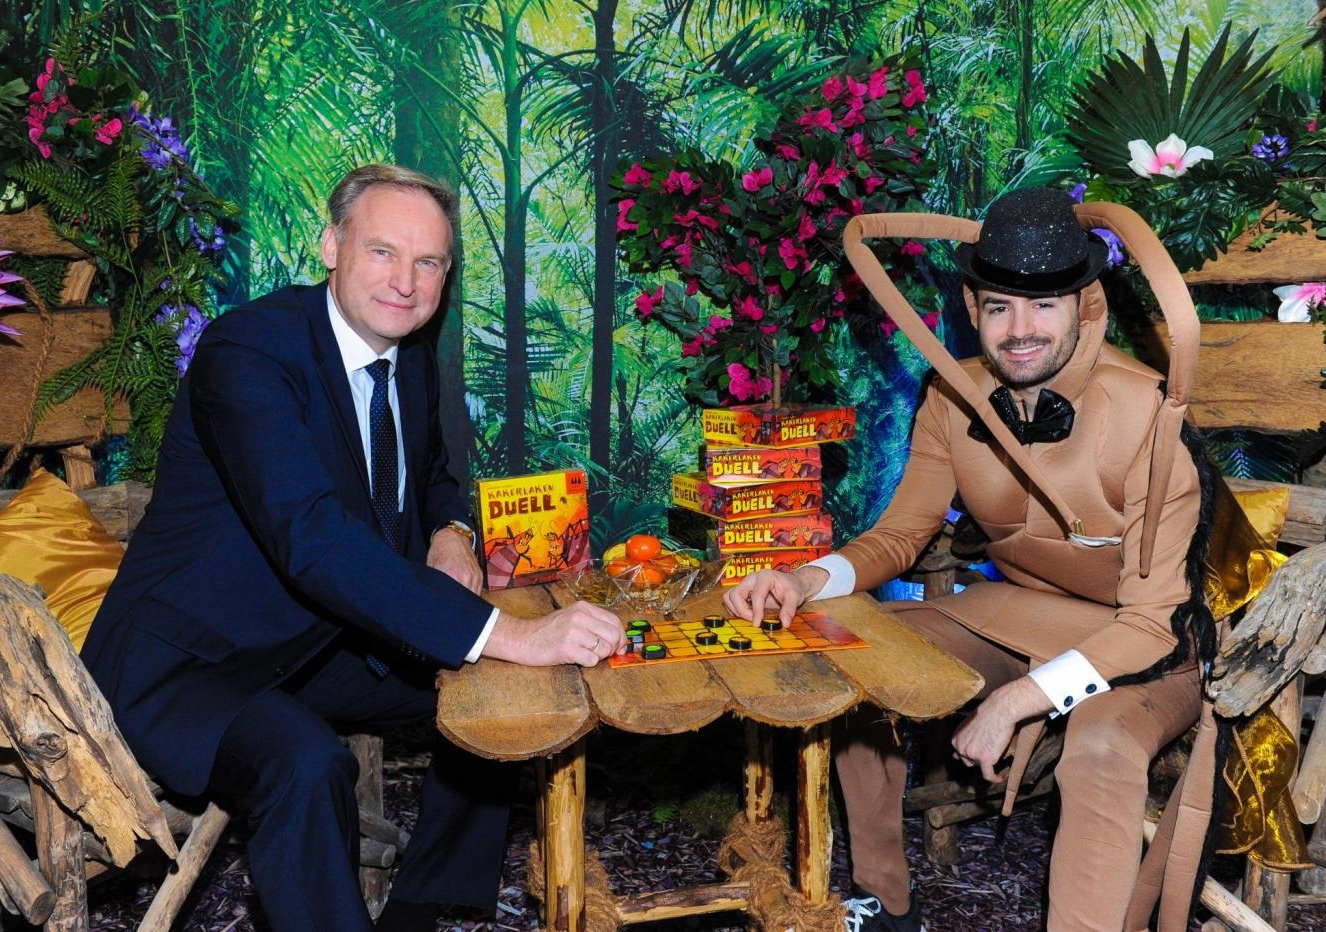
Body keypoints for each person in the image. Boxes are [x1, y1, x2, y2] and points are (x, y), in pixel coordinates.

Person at [81, 164, 626, 932]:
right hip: (192, 663)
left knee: (507, 696)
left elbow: (432, 476)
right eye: (382, 252)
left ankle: (419, 908)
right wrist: (509, 632)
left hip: (321, 640)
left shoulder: (409, 358)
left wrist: (450, 534)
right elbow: (310, 535)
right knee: (307, 765)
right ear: (331, 246)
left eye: (428, 261)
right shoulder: (249, 351)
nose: (406, 282)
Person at [725, 187, 1215, 932]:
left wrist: (1017, 701)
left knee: (1102, 745)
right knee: (862, 664)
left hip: (1149, 646)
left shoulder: (1151, 416)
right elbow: (901, 534)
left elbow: (1153, 622)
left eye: (1043, 306)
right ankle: (884, 903)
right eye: (998, 307)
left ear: (1085, 307)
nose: (1019, 331)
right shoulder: (953, 397)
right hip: (1012, 613)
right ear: (972, 307)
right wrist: (803, 578)